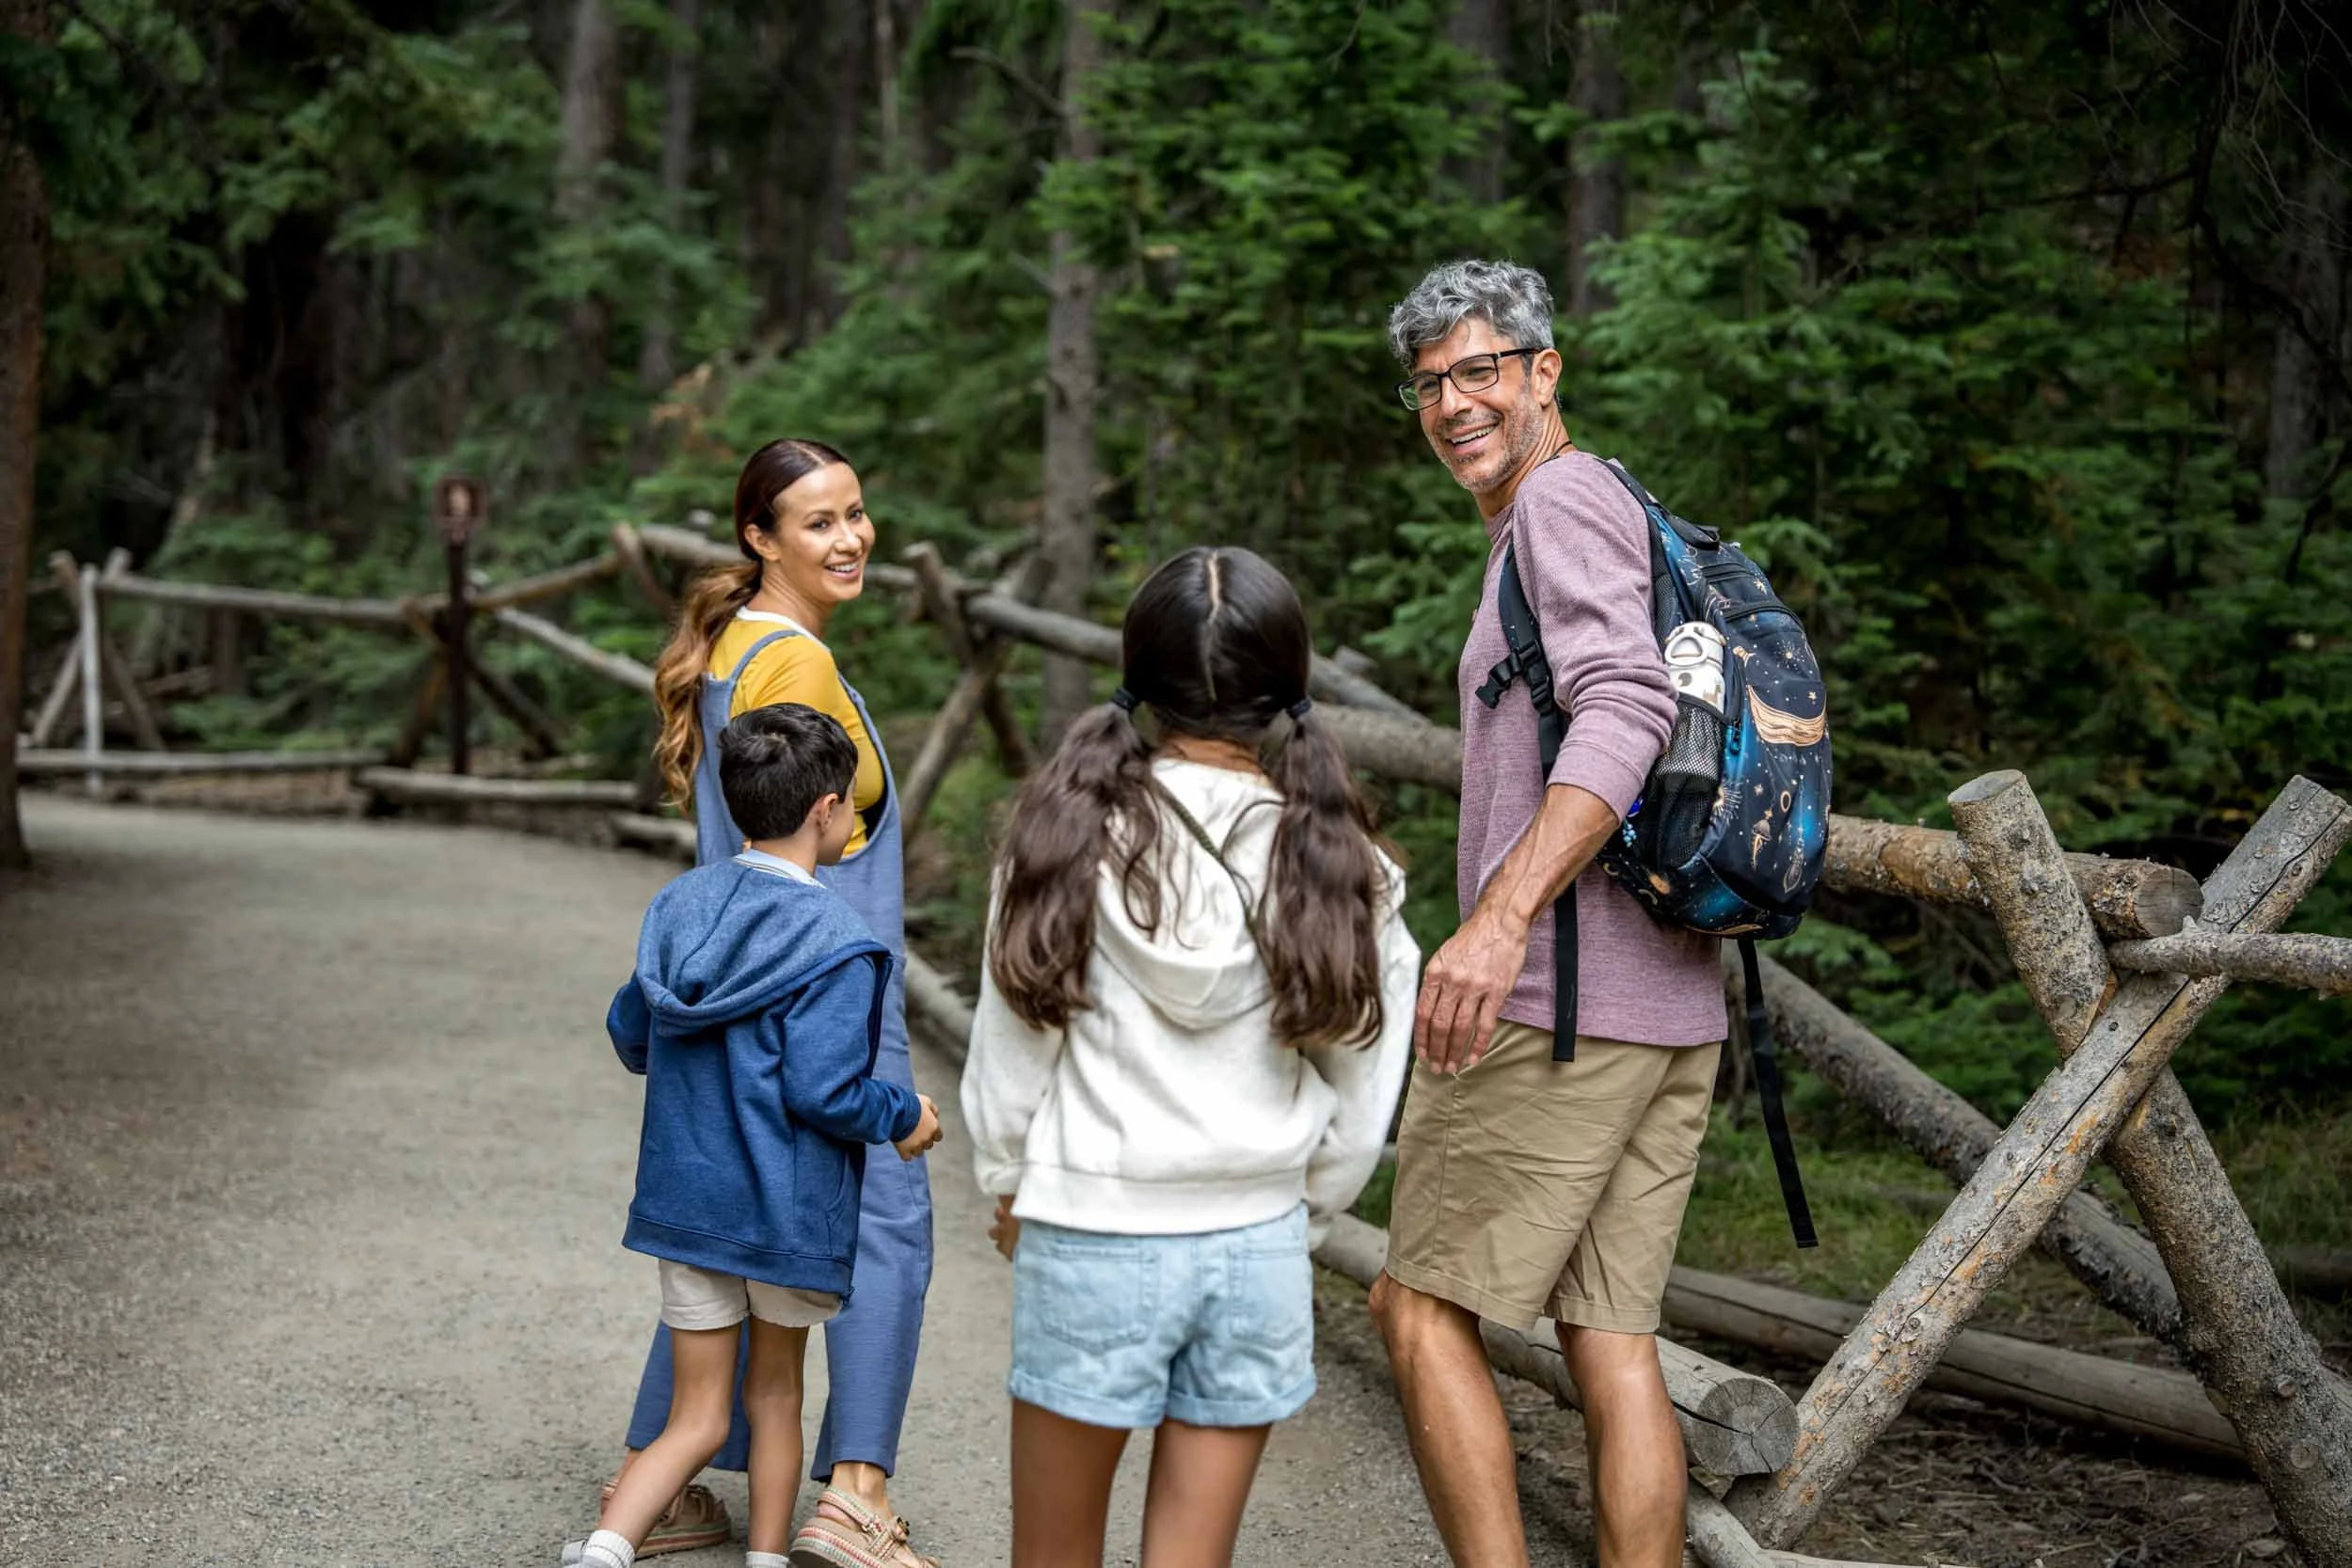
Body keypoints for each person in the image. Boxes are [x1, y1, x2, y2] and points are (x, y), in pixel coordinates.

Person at [1368, 258, 1727, 1568]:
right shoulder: (1606, 498)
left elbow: (1628, 701)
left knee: (1415, 1306)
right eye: (1429, 382)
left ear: (1542, 371)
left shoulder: (1562, 502)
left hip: (1564, 1003)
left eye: (1479, 371)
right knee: (1611, 1338)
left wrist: (1501, 913)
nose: (1453, 402)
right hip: (1668, 1002)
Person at [961, 546, 1418, 1568]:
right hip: (1253, 1241)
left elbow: (1011, 1048)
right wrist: (1300, 1206)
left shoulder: (1063, 840)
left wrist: (1009, 1178)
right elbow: (1362, 1091)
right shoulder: (1347, 867)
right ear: (1287, 682)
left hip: (1093, 1228)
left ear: (1143, 678)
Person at [618, 439, 940, 1568]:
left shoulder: (737, 645)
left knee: (729, 1224)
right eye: (818, 521)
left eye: (856, 512)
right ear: (760, 537)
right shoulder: (794, 666)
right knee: (888, 1209)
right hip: (827, 983)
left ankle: (654, 1478)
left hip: (734, 993)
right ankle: (853, 1492)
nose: (850, 537)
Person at [574, 703, 945, 1568]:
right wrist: (905, 1116)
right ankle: (769, 1557)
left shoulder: (678, 906)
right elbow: (825, 1092)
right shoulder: (839, 944)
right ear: (823, 810)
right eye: (851, 803)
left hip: (688, 1204)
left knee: (696, 1415)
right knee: (775, 1393)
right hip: (786, 1212)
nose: (853, 818)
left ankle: (603, 1549)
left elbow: (633, 1032)